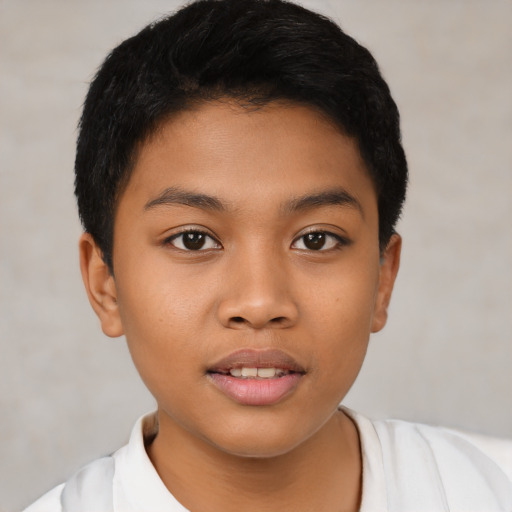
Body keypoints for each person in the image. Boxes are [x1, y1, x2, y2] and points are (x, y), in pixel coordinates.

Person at [24, 0, 512, 510]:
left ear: (382, 278)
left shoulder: (490, 489)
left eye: (316, 240)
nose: (259, 303)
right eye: (193, 239)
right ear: (105, 283)